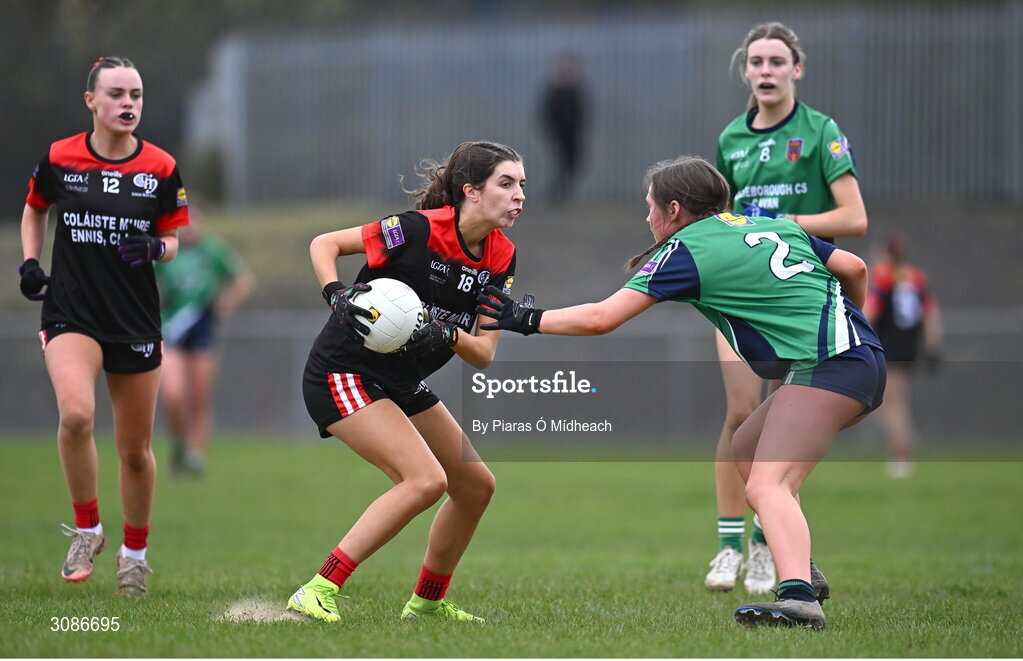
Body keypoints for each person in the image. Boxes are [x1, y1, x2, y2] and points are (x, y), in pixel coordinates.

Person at [477, 156, 884, 628]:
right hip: (856, 357)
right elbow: (853, 266)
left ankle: (798, 599)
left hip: (832, 366)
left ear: (673, 209)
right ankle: (800, 564)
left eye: (649, 207)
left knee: (766, 484)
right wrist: (852, 329)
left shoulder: (687, 248)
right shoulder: (766, 223)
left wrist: (527, 320)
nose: (647, 218)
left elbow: (601, 318)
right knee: (745, 446)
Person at [286, 141, 523, 623]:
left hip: (397, 379)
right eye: (507, 183)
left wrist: (445, 331)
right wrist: (336, 294)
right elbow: (324, 244)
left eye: (522, 185)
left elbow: (482, 354)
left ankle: (428, 603)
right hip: (343, 371)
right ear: (470, 191)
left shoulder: (502, 258)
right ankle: (318, 587)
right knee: (425, 480)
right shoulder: (415, 230)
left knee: (475, 486)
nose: (520, 195)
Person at [707, 21, 868, 595]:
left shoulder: (820, 131)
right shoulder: (731, 138)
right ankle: (728, 545)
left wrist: (788, 223)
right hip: (742, 296)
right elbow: (718, 218)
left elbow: (854, 217)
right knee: (739, 413)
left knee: (779, 426)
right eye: (757, 62)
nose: (766, 71)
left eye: (778, 61)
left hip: (799, 300)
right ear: (746, 70)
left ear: (796, 69)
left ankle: (764, 547)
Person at [19, 56, 189, 594]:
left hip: (134, 320)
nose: (128, 104)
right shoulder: (60, 157)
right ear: (91, 101)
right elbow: (34, 207)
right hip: (71, 313)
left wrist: (155, 247)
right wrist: (29, 261)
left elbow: (174, 241)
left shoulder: (160, 167)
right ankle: (88, 527)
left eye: (136, 95)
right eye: (116, 94)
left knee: (135, 452)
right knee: (75, 415)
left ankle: (134, 554)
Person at [155, 204, 254, 478]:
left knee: (199, 397)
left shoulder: (213, 251)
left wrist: (223, 306)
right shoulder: (167, 251)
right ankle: (178, 444)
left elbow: (243, 280)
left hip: (202, 330)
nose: (189, 228)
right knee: (173, 395)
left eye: (193, 222)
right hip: (172, 330)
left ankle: (196, 457)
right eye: (183, 223)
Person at [862, 233, 942, 478]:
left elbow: (869, 313)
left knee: (888, 403)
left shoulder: (883, 277)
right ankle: (903, 446)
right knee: (893, 403)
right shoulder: (915, 277)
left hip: (887, 346)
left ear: (885, 255)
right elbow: (930, 314)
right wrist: (933, 346)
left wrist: (857, 339)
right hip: (908, 346)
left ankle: (902, 454)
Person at [539, 55, 587, 203]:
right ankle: (557, 194)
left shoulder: (575, 92)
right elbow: (547, 114)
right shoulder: (554, 93)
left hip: (573, 135)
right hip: (558, 135)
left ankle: (562, 193)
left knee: (572, 164)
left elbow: (582, 114)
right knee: (561, 164)